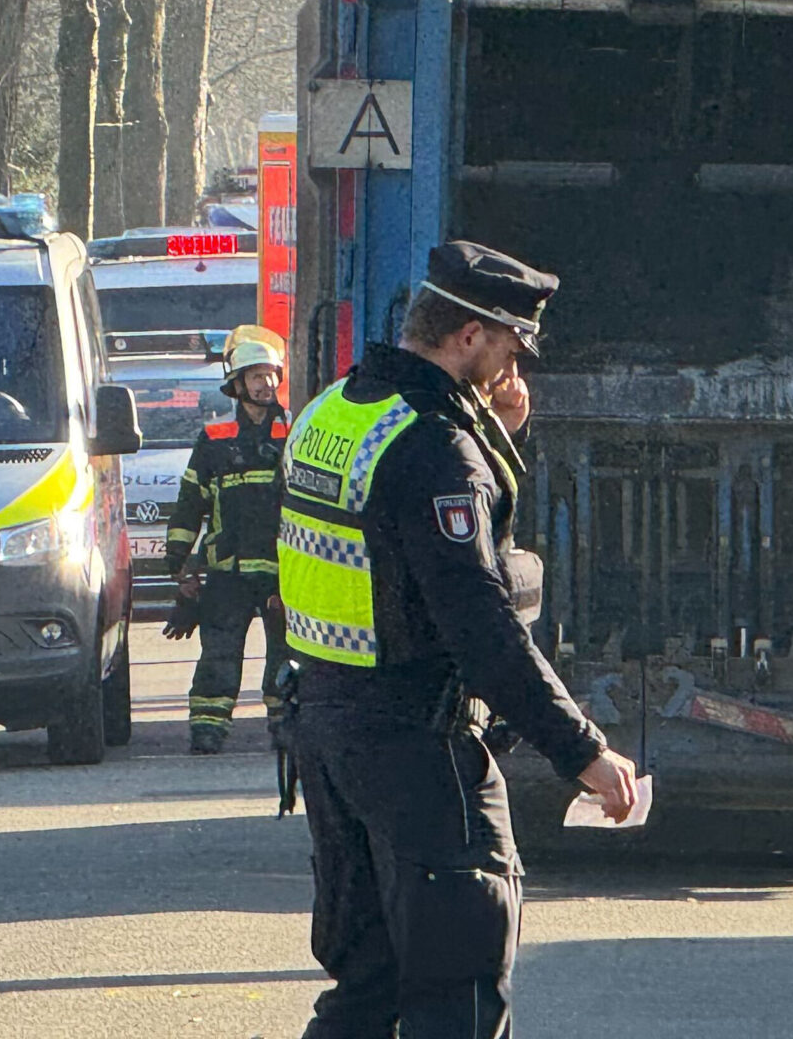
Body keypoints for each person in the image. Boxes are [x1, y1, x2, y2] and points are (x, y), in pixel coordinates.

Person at [278, 240, 640, 1039]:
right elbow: (478, 620)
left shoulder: (334, 411)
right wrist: (581, 750)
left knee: (365, 991)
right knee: (460, 994)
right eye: (511, 346)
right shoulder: (437, 449)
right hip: (420, 749)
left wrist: (494, 431)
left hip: (329, 733)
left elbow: (392, 558)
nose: (516, 366)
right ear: (471, 335)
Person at [163, 323, 293, 754]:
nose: (266, 384)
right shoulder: (215, 439)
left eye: (271, 375)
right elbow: (189, 504)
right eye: (256, 376)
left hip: (283, 574)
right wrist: (179, 564)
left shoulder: (294, 434)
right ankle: (208, 727)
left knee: (286, 655)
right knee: (218, 653)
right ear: (237, 385)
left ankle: (286, 723)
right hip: (227, 572)